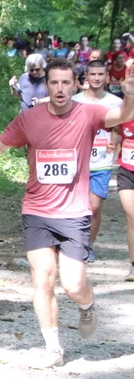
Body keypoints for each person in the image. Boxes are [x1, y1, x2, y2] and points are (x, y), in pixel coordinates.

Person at [0, 60, 134, 368]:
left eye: (66, 83)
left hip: (74, 213)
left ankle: (87, 304)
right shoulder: (29, 118)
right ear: (46, 85)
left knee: (73, 285)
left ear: (75, 85)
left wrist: (129, 94)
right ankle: (53, 349)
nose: (60, 89)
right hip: (37, 211)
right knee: (43, 281)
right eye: (54, 83)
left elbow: (123, 115)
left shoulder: (88, 114)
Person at [72, 60, 123, 261]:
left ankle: (87, 247)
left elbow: (118, 129)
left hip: (101, 162)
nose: (96, 78)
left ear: (107, 77)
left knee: (93, 207)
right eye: (92, 74)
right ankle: (72, 244)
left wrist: (114, 142)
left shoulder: (115, 102)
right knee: (75, 207)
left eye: (100, 74)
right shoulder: (75, 101)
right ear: (86, 76)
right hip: (76, 163)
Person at [113, 117, 134, 281]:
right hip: (127, 171)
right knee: (132, 218)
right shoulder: (125, 112)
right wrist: (113, 143)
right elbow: (115, 129)